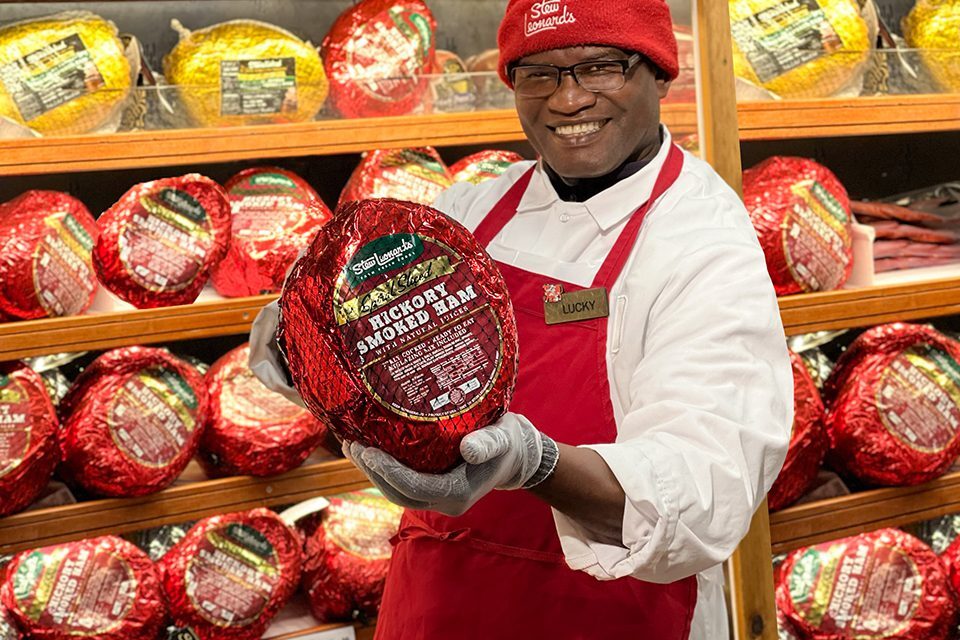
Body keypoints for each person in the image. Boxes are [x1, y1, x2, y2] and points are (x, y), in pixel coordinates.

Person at [251, 0, 792, 637]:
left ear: (660, 73)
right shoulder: (471, 209)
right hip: (437, 602)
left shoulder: (701, 238)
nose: (568, 100)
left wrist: (532, 462)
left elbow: (701, 491)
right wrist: (313, 347)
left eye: (600, 68)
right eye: (539, 74)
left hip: (609, 614)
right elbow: (383, 364)